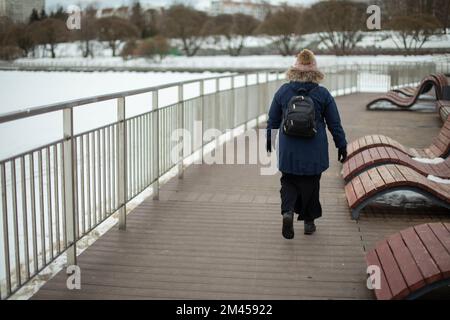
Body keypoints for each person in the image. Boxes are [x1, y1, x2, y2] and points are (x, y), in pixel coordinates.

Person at [266, 49, 348, 239]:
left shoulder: (284, 91)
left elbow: (272, 119)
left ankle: (287, 211)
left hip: (289, 148)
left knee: (288, 181)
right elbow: (334, 123)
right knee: (312, 184)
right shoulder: (322, 94)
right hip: (314, 148)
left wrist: (269, 140)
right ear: (314, 71)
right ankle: (309, 222)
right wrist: (341, 145)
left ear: (294, 70)